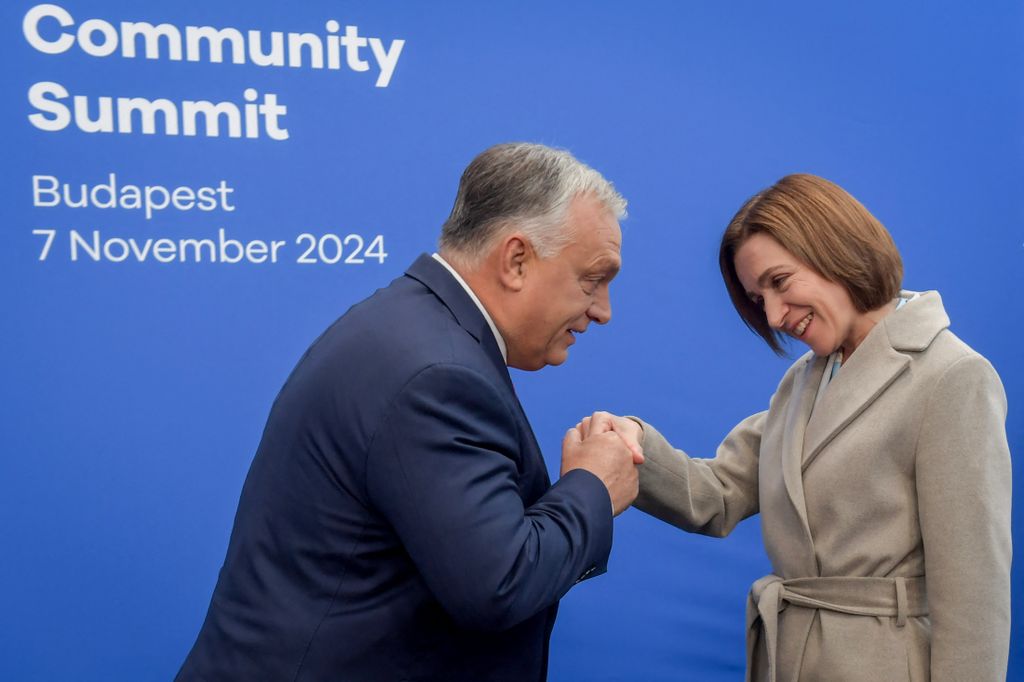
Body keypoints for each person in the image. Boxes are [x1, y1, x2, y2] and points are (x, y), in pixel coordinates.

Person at [176, 142, 643, 681]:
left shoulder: (410, 331)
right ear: (516, 260)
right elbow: (498, 585)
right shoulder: (438, 374)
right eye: (593, 279)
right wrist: (593, 487)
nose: (603, 311)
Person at [582, 174, 1011, 681]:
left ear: (836, 249)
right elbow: (716, 495)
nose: (775, 315)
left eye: (780, 283)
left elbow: (974, 590)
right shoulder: (803, 381)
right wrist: (632, 440)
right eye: (758, 298)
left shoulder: (952, 376)